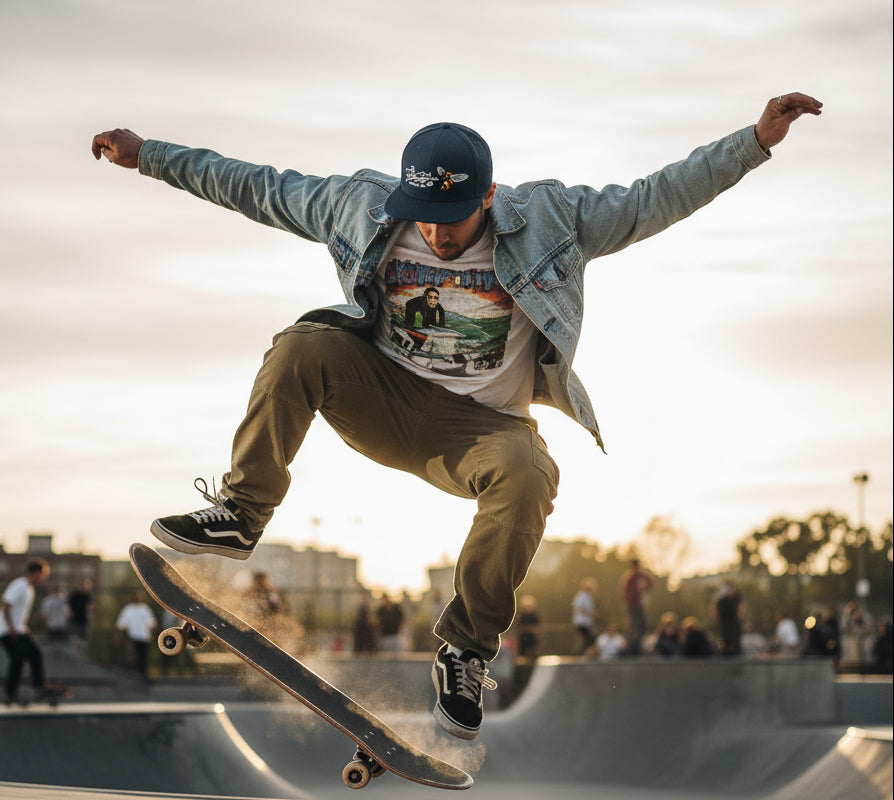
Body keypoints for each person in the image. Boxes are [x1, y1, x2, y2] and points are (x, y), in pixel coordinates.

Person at [92, 92, 822, 739]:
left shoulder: (553, 219)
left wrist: (752, 142)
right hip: (381, 396)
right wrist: (149, 155)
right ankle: (243, 512)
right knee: (300, 348)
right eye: (425, 221)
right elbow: (255, 186)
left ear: (490, 196)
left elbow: (652, 198)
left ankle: (466, 650)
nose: (438, 235)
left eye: (454, 219)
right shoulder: (359, 203)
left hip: (479, 431)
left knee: (530, 469)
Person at [1, 558, 52, 705]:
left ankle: (17, 691)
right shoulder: (20, 585)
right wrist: (11, 628)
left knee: (28, 656)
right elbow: (6, 604)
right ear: (36, 573)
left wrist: (23, 629)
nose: (42, 579)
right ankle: (34, 688)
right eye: (42, 576)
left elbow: (18, 614)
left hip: (18, 629)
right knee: (25, 656)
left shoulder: (29, 588)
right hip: (7, 630)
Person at [115, 591, 157, 681]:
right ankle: (138, 674)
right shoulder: (130, 609)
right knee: (137, 656)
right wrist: (117, 635)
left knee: (142, 656)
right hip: (135, 637)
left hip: (144, 637)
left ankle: (142, 675)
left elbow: (151, 624)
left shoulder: (144, 609)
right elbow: (122, 624)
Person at [619, 559, 654, 656]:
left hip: (641, 606)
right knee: (634, 627)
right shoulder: (629, 578)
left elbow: (651, 583)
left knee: (642, 626)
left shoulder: (643, 576)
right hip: (632, 606)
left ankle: (638, 648)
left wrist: (645, 585)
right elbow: (625, 595)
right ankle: (632, 649)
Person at [713, 577, 745, 657]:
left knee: (734, 647)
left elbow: (741, 613)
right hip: (725, 627)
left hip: (733, 627)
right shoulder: (721, 600)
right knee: (725, 647)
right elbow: (714, 614)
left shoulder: (737, 598)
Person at [571, 579, 599, 655]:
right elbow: (579, 608)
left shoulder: (589, 597)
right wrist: (591, 613)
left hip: (587, 623)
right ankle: (581, 655)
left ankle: (585, 655)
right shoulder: (581, 596)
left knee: (589, 640)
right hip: (582, 622)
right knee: (585, 640)